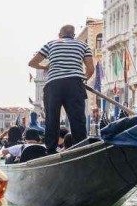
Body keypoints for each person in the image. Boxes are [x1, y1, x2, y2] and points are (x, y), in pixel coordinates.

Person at [28, 24, 94, 154]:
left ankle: (51, 150)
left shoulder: (51, 44)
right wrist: (83, 79)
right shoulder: (83, 46)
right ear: (73, 35)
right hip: (74, 84)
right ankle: (81, 148)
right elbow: (90, 69)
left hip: (53, 85)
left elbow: (32, 63)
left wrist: (45, 67)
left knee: (52, 118)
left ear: (59, 35)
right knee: (77, 119)